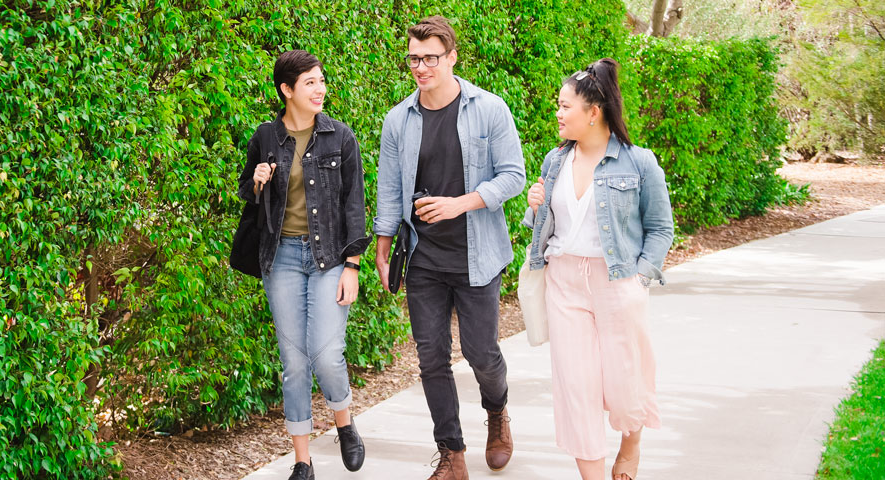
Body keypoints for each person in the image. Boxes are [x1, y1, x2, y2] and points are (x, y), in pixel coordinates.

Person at [373, 16, 526, 480]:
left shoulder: (489, 108)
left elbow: (513, 176)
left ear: (452, 56)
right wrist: (382, 247)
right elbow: (389, 191)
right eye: (414, 58)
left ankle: (497, 412)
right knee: (431, 357)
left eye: (430, 58)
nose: (421, 67)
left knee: (481, 353)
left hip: (478, 254)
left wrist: (462, 202)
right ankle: (452, 452)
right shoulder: (399, 119)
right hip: (423, 258)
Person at [522, 57, 674, 480]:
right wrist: (534, 209)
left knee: (625, 388)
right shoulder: (554, 162)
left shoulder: (639, 162)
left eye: (564, 106)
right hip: (564, 283)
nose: (557, 113)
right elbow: (547, 228)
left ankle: (632, 442)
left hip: (617, 283)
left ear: (593, 112)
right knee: (577, 389)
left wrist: (639, 278)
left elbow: (662, 228)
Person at [236, 49, 370, 480]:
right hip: (282, 258)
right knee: (293, 362)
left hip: (329, 256)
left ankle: (344, 423)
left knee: (327, 355)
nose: (320, 89)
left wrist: (353, 265)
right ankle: (302, 461)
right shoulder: (265, 136)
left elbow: (355, 204)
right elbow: (247, 192)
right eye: (310, 82)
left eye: (321, 80)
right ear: (286, 90)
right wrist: (256, 182)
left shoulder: (340, 137)